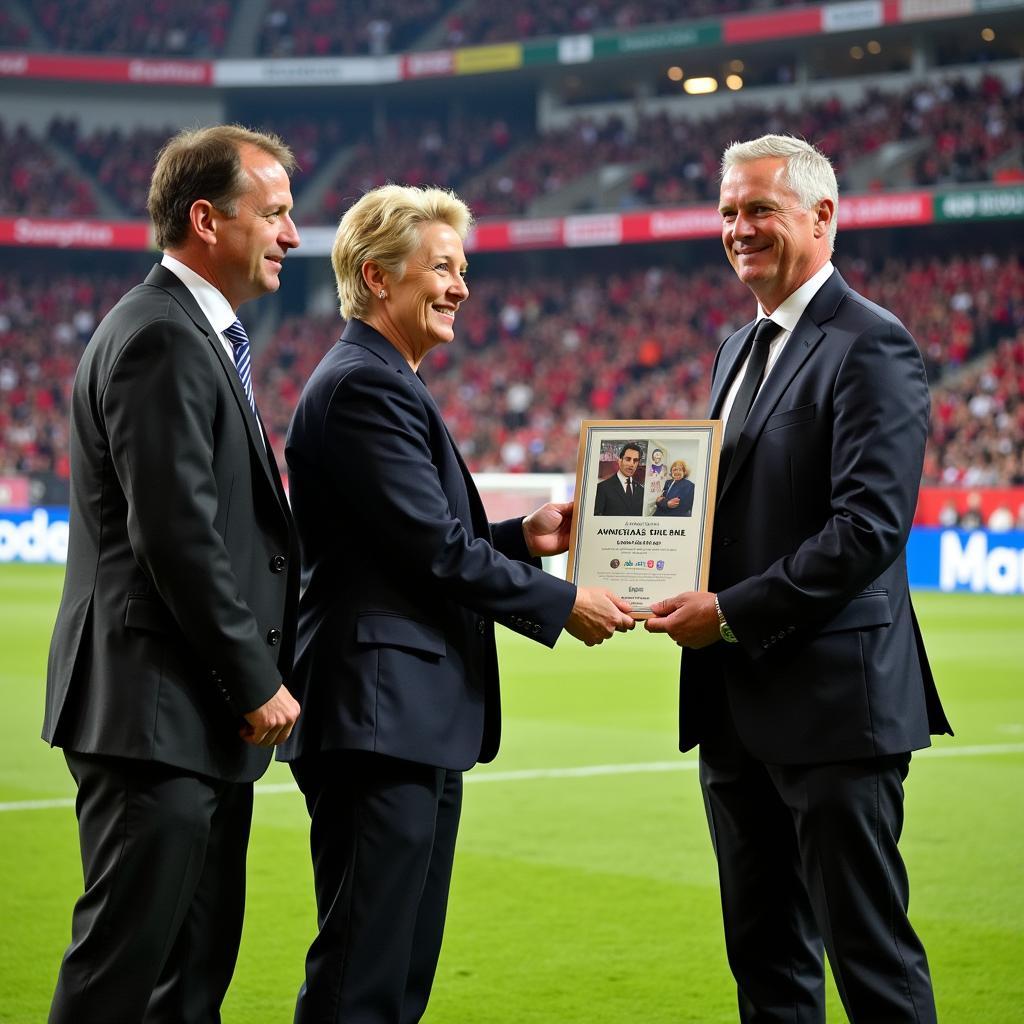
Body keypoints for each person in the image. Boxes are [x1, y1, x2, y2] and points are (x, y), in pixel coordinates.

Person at [279, 183, 635, 1024]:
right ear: (376, 277)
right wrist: (562, 603)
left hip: (409, 718)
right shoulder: (365, 385)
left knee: (396, 978)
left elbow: (410, 543)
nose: (461, 287)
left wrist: (523, 536)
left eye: (462, 268)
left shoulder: (382, 379)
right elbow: (435, 551)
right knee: (362, 978)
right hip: (378, 720)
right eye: (441, 268)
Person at [645, 135, 952, 1023]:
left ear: (823, 216)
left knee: (870, 959)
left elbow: (867, 530)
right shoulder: (736, 347)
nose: (740, 229)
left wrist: (729, 612)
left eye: (760, 210)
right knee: (766, 963)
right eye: (730, 211)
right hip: (734, 712)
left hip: (832, 713)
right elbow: (728, 509)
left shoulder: (872, 345)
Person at [43, 124, 302, 1024]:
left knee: (187, 983)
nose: (291, 235)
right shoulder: (160, 337)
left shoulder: (191, 331)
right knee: (122, 975)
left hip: (187, 720)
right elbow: (177, 535)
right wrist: (256, 677)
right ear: (206, 219)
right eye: (273, 214)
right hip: (155, 717)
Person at [593, 442, 645, 516]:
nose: (631, 464)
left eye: (635, 460)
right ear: (620, 461)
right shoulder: (603, 488)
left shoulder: (641, 491)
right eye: (628, 459)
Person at [644, 446, 668, 514]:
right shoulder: (650, 467)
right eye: (656, 454)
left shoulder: (664, 468)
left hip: (660, 491)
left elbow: (665, 479)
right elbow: (648, 478)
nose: (658, 456)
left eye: (659, 455)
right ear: (653, 456)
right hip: (651, 491)